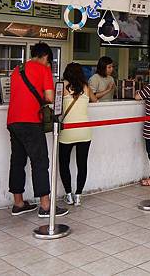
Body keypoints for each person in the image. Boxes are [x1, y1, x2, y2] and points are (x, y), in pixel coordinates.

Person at [7, 42, 68, 218]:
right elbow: (49, 97)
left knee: (17, 161)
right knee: (40, 161)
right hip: (31, 121)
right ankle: (45, 206)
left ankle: (18, 203)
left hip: (13, 121)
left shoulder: (17, 70)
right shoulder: (43, 70)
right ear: (46, 57)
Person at [59, 63, 98, 207]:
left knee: (64, 164)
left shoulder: (62, 86)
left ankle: (68, 195)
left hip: (68, 131)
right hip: (84, 130)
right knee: (82, 164)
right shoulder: (86, 87)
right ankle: (78, 196)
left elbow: (55, 104)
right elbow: (95, 100)